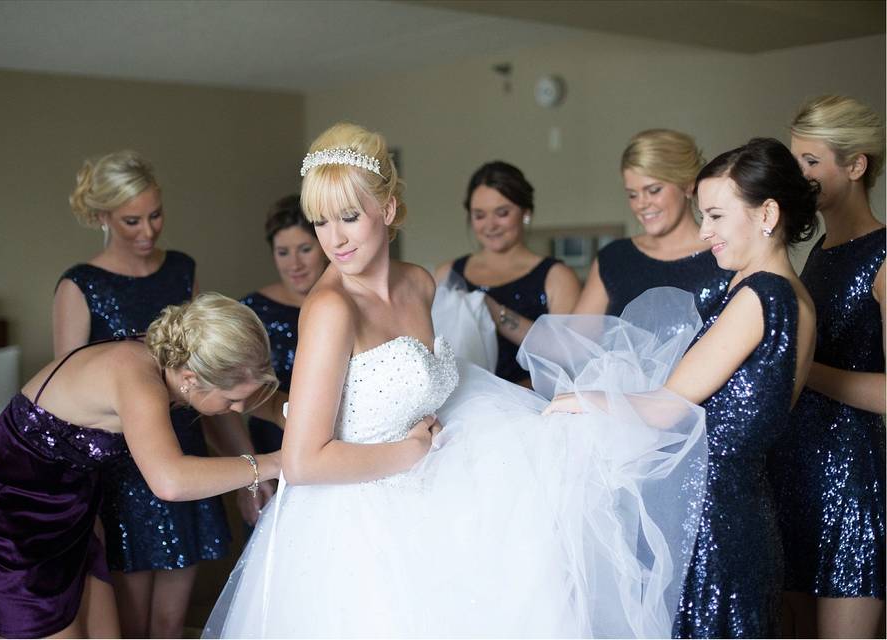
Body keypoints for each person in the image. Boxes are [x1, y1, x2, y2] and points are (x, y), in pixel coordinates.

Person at [204, 123, 710, 638]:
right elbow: (302, 461)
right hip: (356, 521)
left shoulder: (420, 284)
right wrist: (408, 453)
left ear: (389, 210)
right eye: (321, 222)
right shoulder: (331, 308)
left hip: (439, 490)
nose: (333, 239)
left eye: (349, 217)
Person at [560, 137, 817, 638]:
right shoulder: (796, 296)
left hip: (712, 516)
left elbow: (664, 409)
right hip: (743, 507)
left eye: (717, 216)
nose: (705, 231)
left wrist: (581, 401)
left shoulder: (758, 296)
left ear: (767, 213)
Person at [0, 294, 282, 639]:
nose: (239, 409)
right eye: (232, 399)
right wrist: (275, 464)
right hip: (10, 517)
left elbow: (256, 406)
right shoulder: (135, 377)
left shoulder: (177, 362)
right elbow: (170, 481)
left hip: (71, 510)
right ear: (192, 379)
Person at [55, 150, 239, 638]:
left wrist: (242, 458)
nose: (148, 230)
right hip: (121, 474)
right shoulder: (81, 286)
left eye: (155, 214)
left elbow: (208, 370)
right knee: (131, 623)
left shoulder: (181, 270)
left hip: (186, 452)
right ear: (101, 217)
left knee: (172, 623)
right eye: (131, 220)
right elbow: (66, 401)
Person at [769, 95, 886, 638]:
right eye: (795, 163)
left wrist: (802, 367)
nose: (799, 176)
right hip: (792, 470)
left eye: (811, 162)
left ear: (856, 165)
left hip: (851, 479)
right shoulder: (814, 251)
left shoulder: (884, 256)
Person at [434, 161, 580, 386]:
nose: (490, 225)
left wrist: (495, 312)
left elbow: (568, 358)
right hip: (463, 404)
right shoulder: (447, 273)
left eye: (502, 213)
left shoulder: (557, 277)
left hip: (534, 405)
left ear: (526, 213)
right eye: (479, 215)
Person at [235, 194, 328, 526]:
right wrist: (250, 472)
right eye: (283, 252)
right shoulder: (251, 311)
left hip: (335, 439)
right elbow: (228, 399)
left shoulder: (346, 302)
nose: (295, 264)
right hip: (269, 443)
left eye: (305, 249)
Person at [573, 129, 732, 319]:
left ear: (688, 185)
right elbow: (573, 343)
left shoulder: (725, 256)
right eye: (632, 194)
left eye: (654, 190)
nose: (641, 204)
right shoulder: (614, 259)